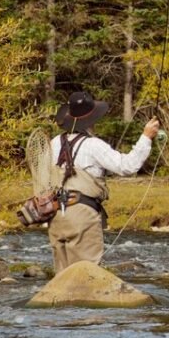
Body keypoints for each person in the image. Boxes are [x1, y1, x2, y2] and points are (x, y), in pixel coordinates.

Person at [48, 91, 160, 273]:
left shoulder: (54, 142)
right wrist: (146, 137)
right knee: (87, 274)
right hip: (82, 215)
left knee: (62, 277)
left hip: (56, 215)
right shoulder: (94, 145)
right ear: (92, 119)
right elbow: (127, 166)